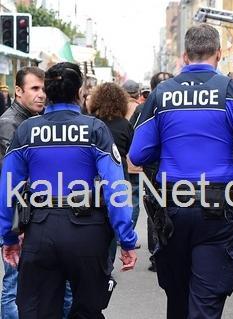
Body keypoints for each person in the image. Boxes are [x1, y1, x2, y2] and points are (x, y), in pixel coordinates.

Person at [129, 24, 233, 317]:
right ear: (218, 54)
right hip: (218, 208)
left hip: (171, 208)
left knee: (177, 297)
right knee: (205, 301)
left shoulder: (162, 94)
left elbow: (138, 154)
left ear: (185, 55)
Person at [0, 62, 137, 317]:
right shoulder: (95, 129)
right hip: (87, 233)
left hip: (40, 231)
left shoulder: (27, 131)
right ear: (79, 92)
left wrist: (8, 237)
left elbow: (8, 187)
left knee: (40, 311)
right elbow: (116, 188)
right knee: (87, 310)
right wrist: (126, 239)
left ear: (48, 93)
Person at [129, 71, 174, 271]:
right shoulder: (172, 105)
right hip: (167, 165)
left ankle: (158, 253)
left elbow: (133, 136)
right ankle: (162, 252)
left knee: (155, 207)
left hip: (156, 165)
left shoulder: (144, 108)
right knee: (165, 205)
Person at [88, 82, 134, 268]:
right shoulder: (124, 125)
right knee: (114, 218)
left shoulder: (89, 123)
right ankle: (108, 262)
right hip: (119, 174)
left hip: (92, 177)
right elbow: (133, 151)